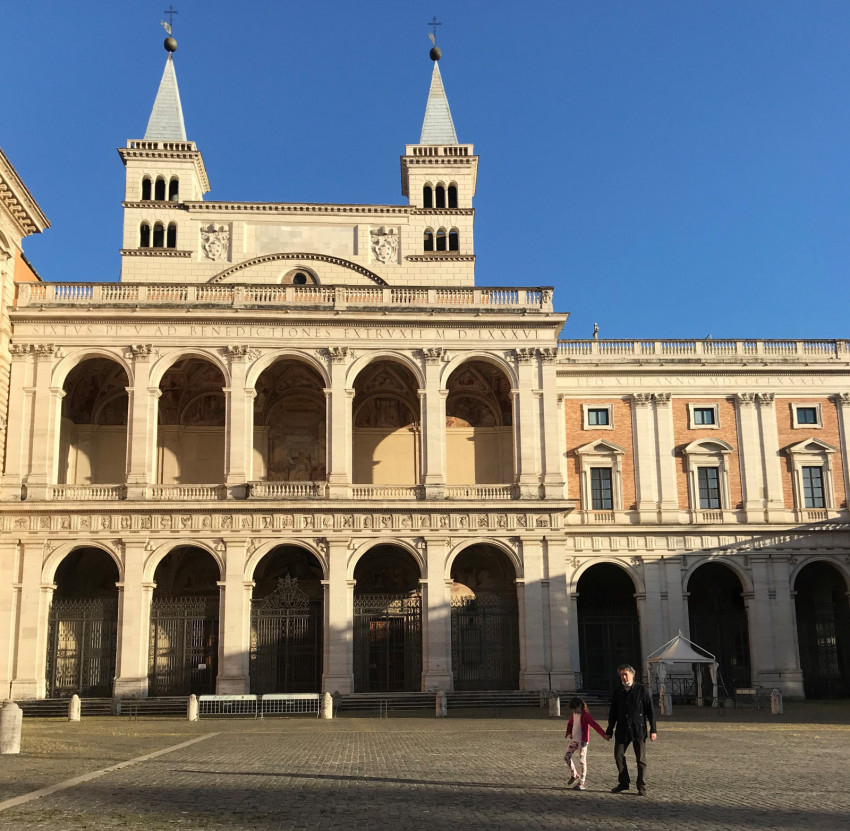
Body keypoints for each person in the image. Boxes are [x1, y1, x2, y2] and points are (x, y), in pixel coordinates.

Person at [606, 664, 657, 796]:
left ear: (632, 675)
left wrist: (653, 729)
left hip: (638, 728)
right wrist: (609, 730)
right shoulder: (618, 691)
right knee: (618, 755)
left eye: (625, 674)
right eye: (621, 675)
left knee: (641, 759)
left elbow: (650, 711)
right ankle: (624, 782)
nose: (623, 677)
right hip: (622, 729)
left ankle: (641, 786)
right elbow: (613, 712)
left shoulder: (642, 689)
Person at [564, 696, 609, 790]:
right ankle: (574, 774)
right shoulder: (574, 714)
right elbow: (570, 723)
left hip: (583, 741)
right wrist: (569, 732)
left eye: (575, 708)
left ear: (580, 706)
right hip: (574, 740)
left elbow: (594, 725)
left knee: (582, 761)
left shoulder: (586, 715)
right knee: (567, 757)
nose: (574, 711)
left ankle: (582, 782)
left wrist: (604, 734)